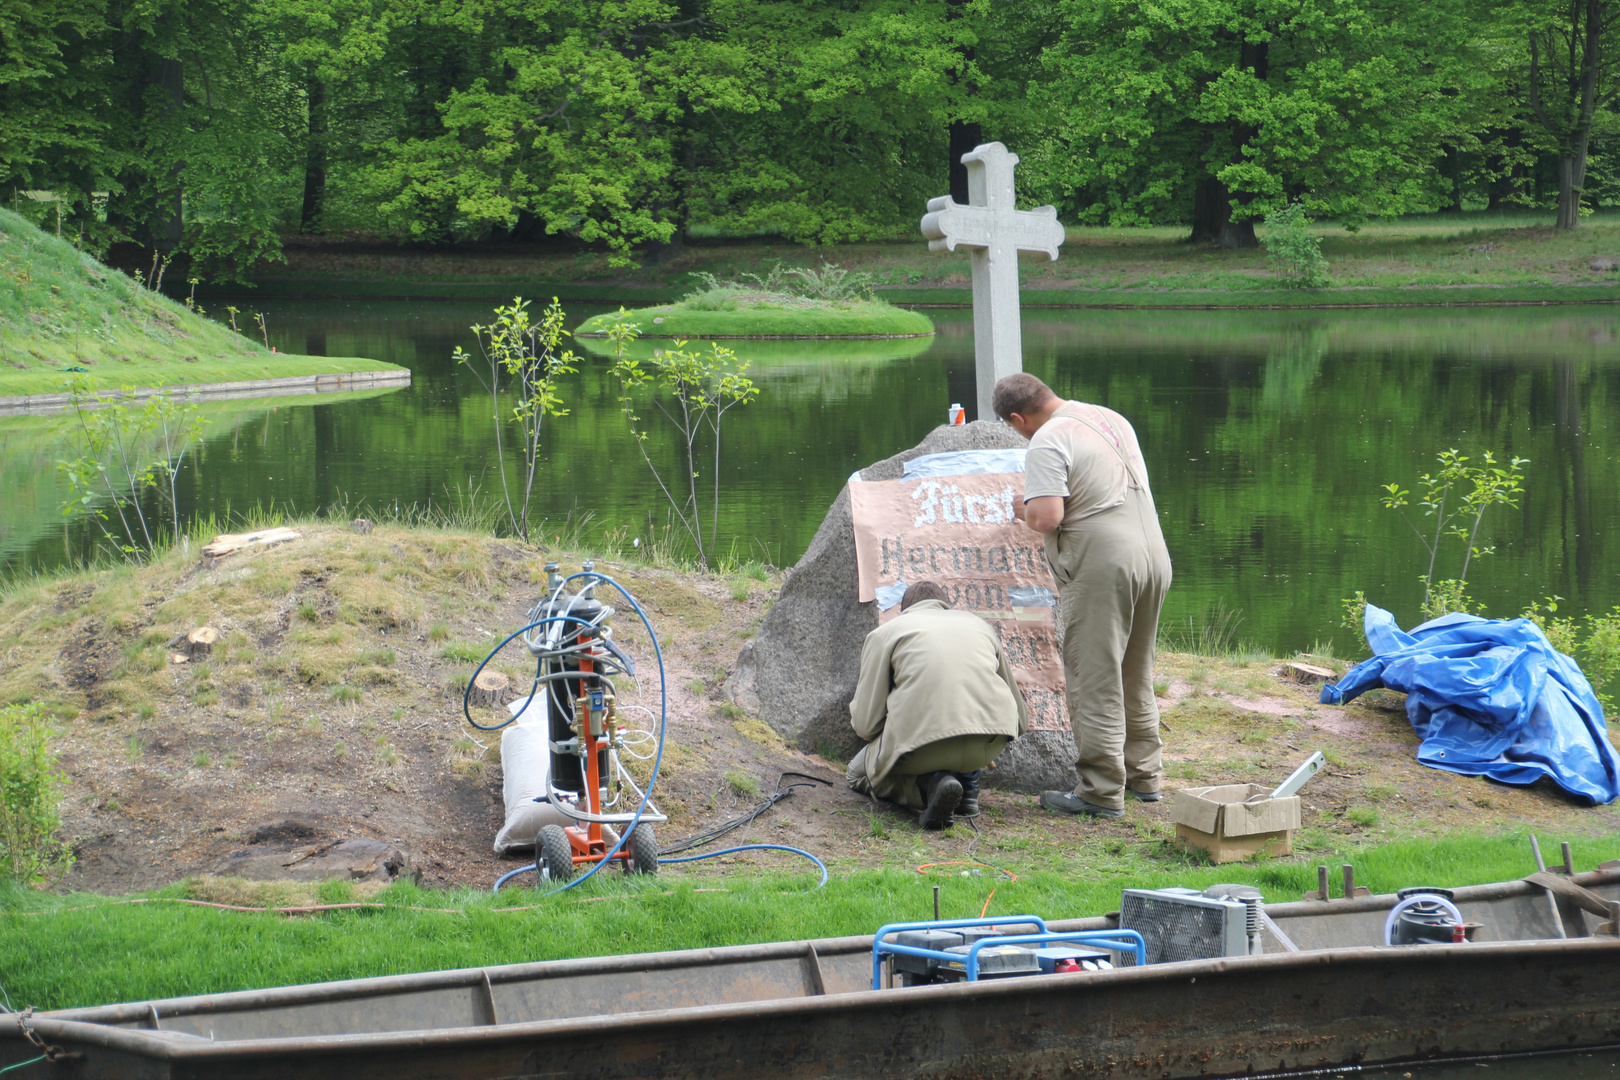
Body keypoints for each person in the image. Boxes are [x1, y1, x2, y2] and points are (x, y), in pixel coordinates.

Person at [993, 372, 1172, 819]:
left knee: (1094, 677)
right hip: (1154, 556)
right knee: (1136, 670)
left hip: (1104, 564)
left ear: (1017, 418)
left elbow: (1047, 516)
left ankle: (1100, 790)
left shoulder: (1048, 438)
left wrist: (1023, 508)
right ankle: (1145, 777)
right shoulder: (1109, 417)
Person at [846, 581, 1029, 829]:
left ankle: (929, 787)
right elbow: (1021, 720)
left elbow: (866, 725)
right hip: (988, 745)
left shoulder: (887, 633)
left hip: (921, 748)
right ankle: (968, 789)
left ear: (904, 609)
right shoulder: (980, 627)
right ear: (945, 605)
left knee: (856, 773)